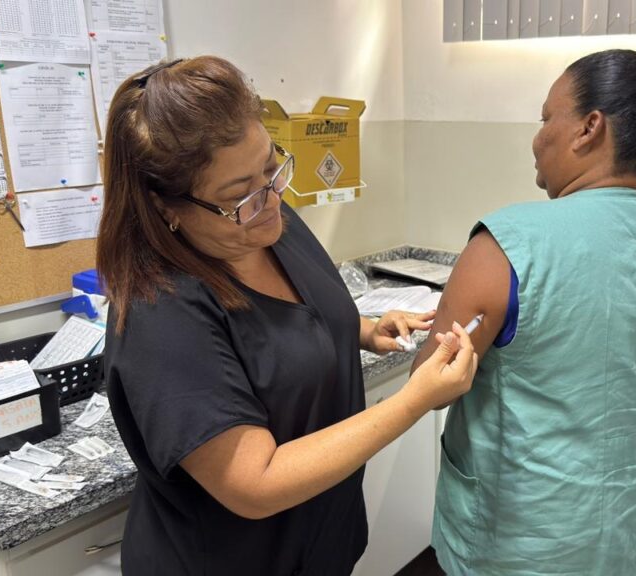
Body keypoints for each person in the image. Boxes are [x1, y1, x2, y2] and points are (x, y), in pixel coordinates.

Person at [96, 56, 477, 575]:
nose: (272, 199)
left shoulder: (270, 220)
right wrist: (415, 401)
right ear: (164, 207)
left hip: (317, 540)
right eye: (239, 196)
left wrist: (362, 330)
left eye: (273, 168)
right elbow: (256, 481)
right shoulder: (160, 313)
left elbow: (285, 322)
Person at [412, 44, 636, 575]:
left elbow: (429, 382)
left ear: (588, 128)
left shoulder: (507, 243)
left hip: (524, 543)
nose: (537, 139)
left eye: (546, 118)